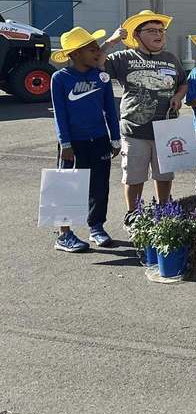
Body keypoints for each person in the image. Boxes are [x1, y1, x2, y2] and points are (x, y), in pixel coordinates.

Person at [102, 10, 187, 221]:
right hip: (134, 130)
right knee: (134, 176)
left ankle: (164, 211)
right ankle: (134, 214)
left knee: (165, 174)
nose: (159, 34)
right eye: (151, 30)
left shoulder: (171, 59)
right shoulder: (123, 58)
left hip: (166, 129)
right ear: (137, 35)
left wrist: (178, 95)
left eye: (161, 30)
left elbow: (183, 82)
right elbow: (96, 62)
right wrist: (111, 41)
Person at [50, 27, 121, 252]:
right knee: (68, 187)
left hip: (99, 140)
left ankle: (97, 227)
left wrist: (115, 138)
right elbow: (59, 113)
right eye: (91, 49)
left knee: (99, 187)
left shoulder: (101, 76)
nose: (97, 52)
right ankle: (64, 234)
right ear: (75, 54)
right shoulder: (60, 78)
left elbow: (111, 109)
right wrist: (65, 143)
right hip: (73, 144)